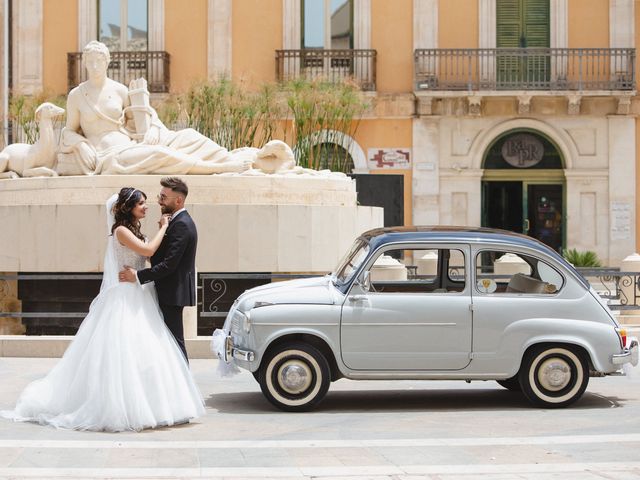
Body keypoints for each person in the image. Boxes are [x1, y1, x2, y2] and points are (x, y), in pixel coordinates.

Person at [0, 188, 205, 432]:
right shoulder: (120, 230)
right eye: (141, 204)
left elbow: (147, 255)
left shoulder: (134, 230)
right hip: (126, 296)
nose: (146, 207)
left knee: (148, 349)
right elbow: (149, 251)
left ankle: (159, 402)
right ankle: (126, 406)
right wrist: (163, 227)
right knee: (124, 351)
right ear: (129, 208)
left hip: (139, 293)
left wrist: (143, 270)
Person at [57, 40, 254, 175]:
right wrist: (81, 145)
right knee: (160, 154)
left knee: (189, 135)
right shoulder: (77, 95)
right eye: (90, 62)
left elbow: (145, 115)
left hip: (131, 144)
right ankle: (220, 168)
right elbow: (68, 131)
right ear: (84, 63)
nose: (94, 66)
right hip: (108, 155)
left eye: (98, 61)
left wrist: (152, 128)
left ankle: (226, 157)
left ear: (107, 62)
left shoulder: (120, 90)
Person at [119, 177, 196, 363]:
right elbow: (157, 255)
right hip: (164, 291)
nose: (159, 201)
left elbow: (170, 264)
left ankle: (183, 386)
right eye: (159, 196)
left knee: (174, 342)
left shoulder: (182, 224)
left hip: (172, 292)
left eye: (164, 197)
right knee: (165, 341)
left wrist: (137, 275)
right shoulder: (174, 222)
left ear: (178, 200)